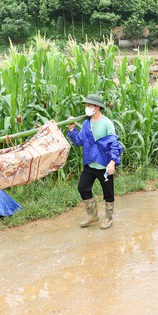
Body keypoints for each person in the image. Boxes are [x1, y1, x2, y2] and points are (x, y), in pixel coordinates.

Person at [67, 94, 123, 229]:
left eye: (89, 105)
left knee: (108, 192)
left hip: (104, 165)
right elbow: (80, 141)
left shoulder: (107, 123)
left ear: (97, 107)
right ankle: (92, 215)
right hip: (90, 163)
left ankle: (109, 218)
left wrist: (112, 162)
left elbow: (114, 144)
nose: (87, 107)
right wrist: (71, 129)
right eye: (86, 105)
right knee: (83, 187)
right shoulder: (87, 123)